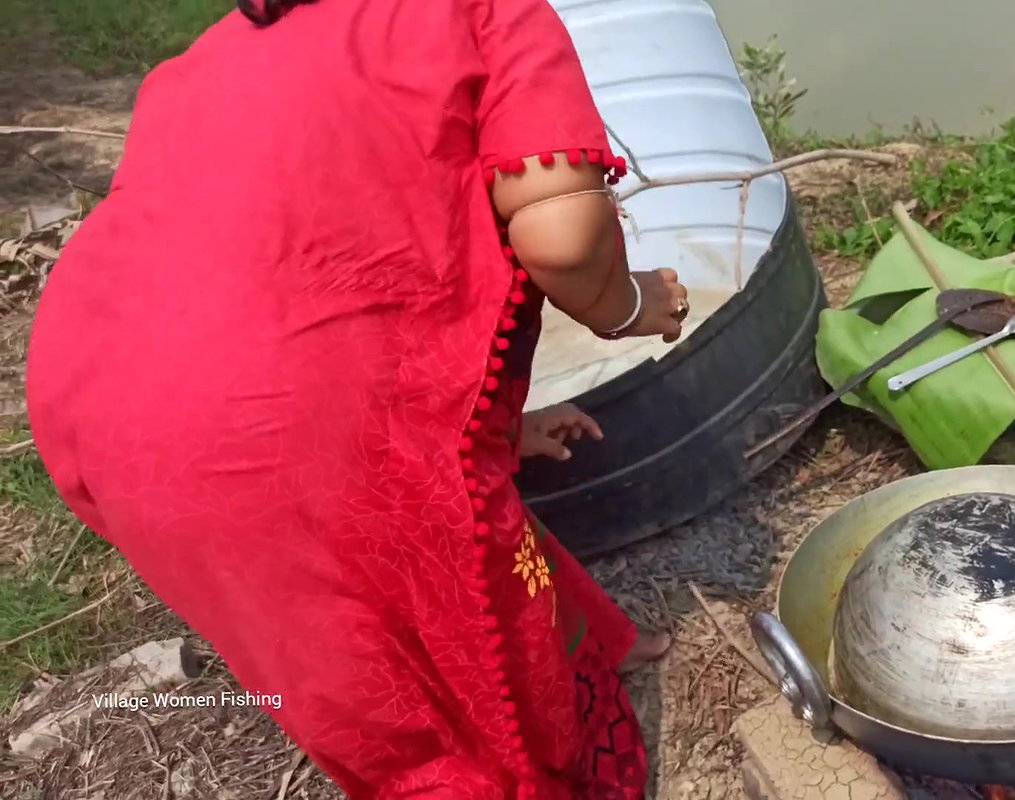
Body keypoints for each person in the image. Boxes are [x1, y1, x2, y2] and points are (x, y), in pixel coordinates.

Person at [24, 0, 688, 797]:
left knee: (366, 685)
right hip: (293, 419)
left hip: (99, 412)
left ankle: (603, 646)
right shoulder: (481, 11)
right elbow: (564, 237)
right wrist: (632, 305)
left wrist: (497, 428)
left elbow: (271, 273)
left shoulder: (197, 65)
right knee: (474, 731)